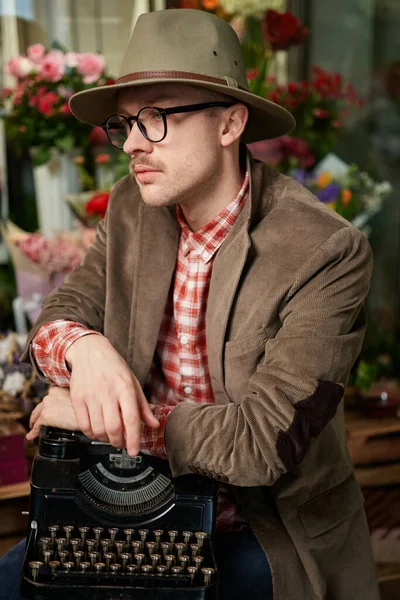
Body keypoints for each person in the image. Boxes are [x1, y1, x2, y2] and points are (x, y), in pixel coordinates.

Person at [0, 8, 380, 600]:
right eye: (125, 123)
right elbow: (66, 307)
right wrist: (84, 349)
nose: (130, 144)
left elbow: (261, 445)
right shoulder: (131, 204)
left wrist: (111, 420)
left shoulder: (327, 251)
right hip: (132, 498)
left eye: (154, 119)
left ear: (229, 124)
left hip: (261, 528)